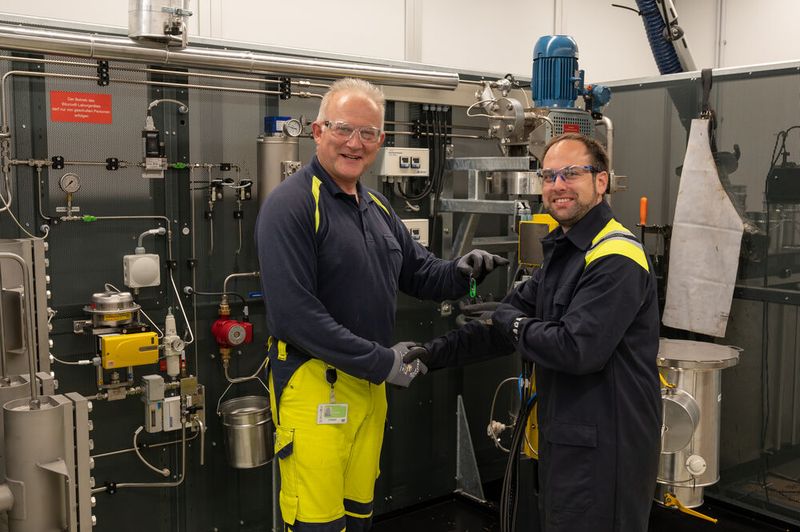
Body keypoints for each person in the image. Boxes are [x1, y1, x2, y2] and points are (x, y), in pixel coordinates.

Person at [255, 77, 508, 532]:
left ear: (381, 141)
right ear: (318, 131)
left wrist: (462, 272)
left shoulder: (376, 207)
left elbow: (419, 273)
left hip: (368, 387)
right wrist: (381, 362)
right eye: (343, 130)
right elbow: (295, 317)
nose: (355, 143)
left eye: (367, 133)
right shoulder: (290, 206)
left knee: (359, 514)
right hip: (314, 384)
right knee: (317, 523)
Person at [406, 133, 662, 531]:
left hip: (608, 451)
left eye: (572, 173)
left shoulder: (616, 257)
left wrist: (511, 321)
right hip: (568, 441)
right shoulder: (564, 252)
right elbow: (502, 326)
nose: (558, 185)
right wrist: (432, 354)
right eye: (549, 175)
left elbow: (576, 350)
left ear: (601, 181)